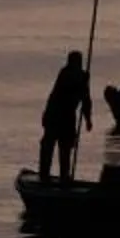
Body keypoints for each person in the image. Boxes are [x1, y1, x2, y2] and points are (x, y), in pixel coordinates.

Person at [37, 49, 92, 180]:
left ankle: (64, 177)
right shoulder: (65, 74)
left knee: (65, 148)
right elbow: (71, 87)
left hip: (67, 118)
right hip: (55, 116)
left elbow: (86, 100)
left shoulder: (82, 77)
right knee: (48, 146)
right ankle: (44, 175)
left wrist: (88, 119)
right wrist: (83, 79)